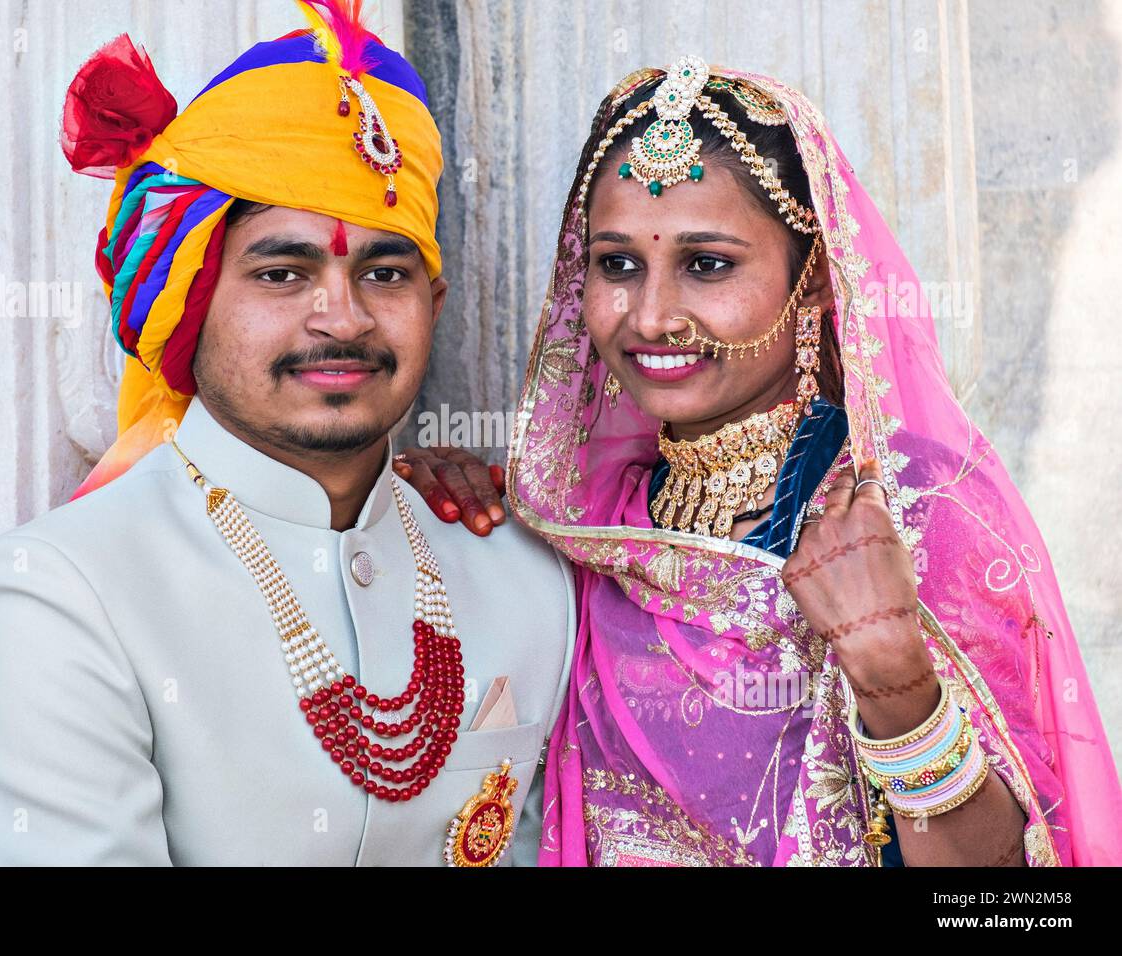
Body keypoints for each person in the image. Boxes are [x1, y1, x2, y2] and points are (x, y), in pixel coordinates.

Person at [396, 57, 1122, 865]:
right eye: (618, 264)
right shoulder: (578, 526)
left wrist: (892, 675)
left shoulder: (915, 513)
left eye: (708, 264)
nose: (652, 314)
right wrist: (429, 514)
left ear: (812, 281)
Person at [0, 1, 574, 866]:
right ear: (187, 301)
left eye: (384, 273)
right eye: (282, 273)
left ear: (430, 308)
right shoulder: (62, 595)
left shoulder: (528, 573)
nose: (343, 318)